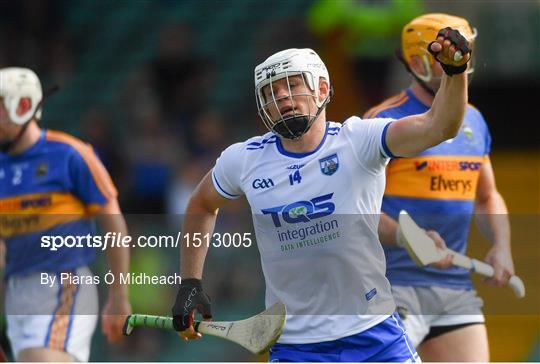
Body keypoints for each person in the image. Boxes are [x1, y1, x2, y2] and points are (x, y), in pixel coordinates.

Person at [172, 27, 471, 362]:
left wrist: (454, 73)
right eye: (271, 90)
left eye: (293, 84)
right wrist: (190, 282)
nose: (282, 96)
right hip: (295, 347)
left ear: (323, 89)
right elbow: (200, 204)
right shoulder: (243, 159)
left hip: (374, 336)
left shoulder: (359, 140)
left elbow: (440, 126)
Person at [364, 14, 515, 362]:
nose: (459, 61)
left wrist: (503, 246)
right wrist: (410, 237)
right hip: (392, 287)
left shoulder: (473, 118)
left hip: (454, 289)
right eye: (446, 54)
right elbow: (359, 210)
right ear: (417, 62)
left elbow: (487, 194)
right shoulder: (385, 121)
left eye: (464, 52)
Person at [0, 67, 132, 361]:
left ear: (22, 106)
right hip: (15, 293)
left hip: (63, 285)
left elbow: (112, 220)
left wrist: (119, 296)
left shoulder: (70, 153)